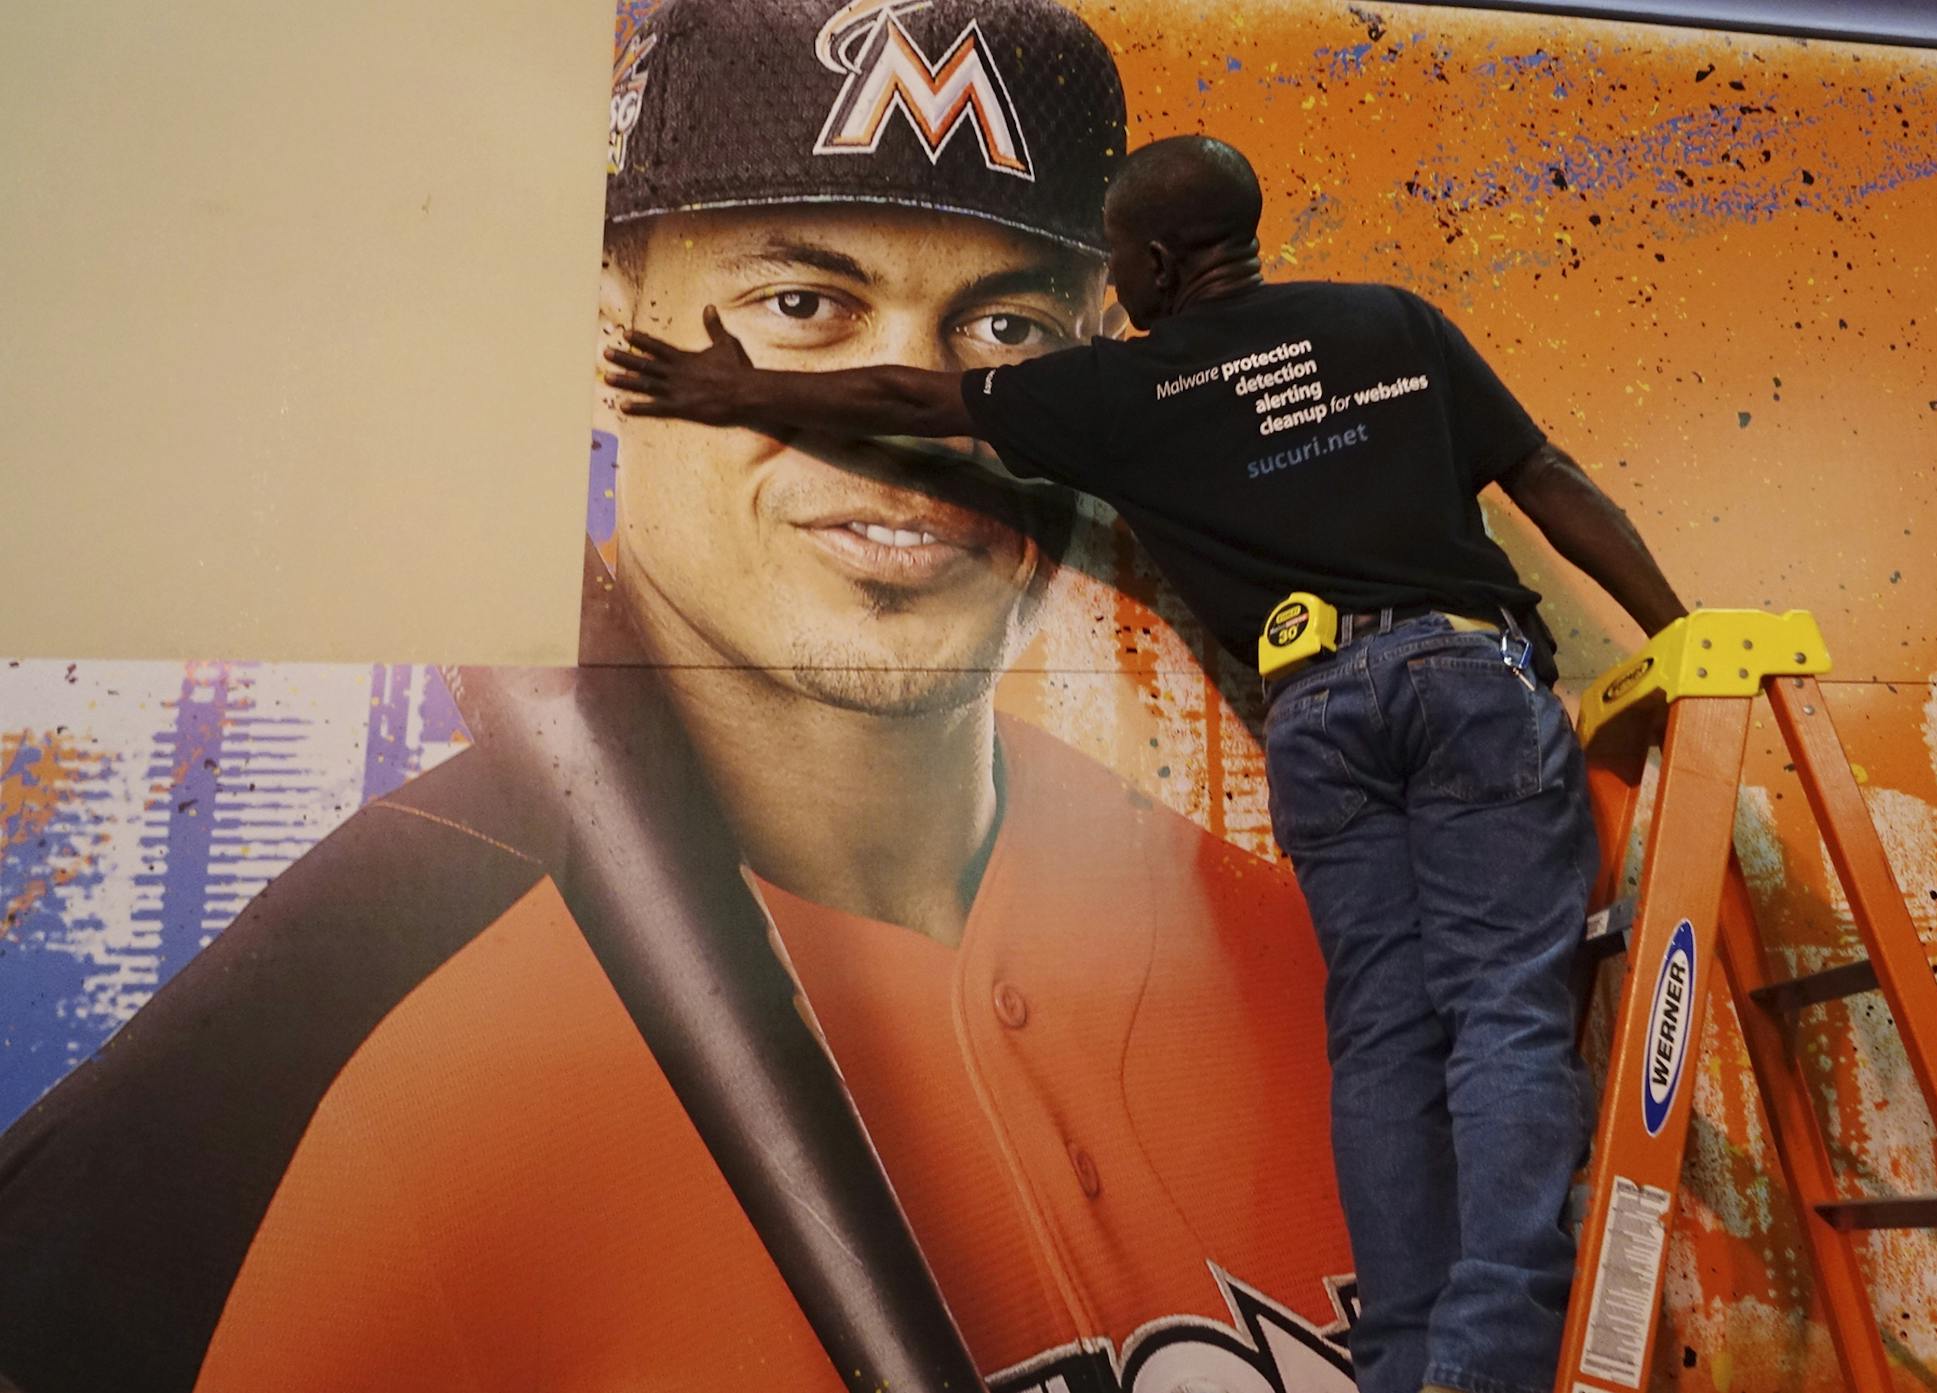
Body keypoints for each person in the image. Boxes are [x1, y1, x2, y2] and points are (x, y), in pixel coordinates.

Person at [0, 6, 1357, 1393]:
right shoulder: (304, 1067)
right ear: (604, 336)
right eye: (803, 307)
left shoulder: (1308, 957)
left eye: (1008, 326)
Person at [604, 135, 1691, 1393]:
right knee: (1503, 1009)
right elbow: (1547, 477)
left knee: (1387, 1036)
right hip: (1466, 679)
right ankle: (1493, 1357)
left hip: (1321, 711)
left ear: (1163, 261)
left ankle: (1406, 1360)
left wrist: (746, 391)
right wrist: (1681, 631)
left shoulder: (1126, 390)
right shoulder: (1391, 322)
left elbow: (914, 404)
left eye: (1120, 261)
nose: (1115, 287)